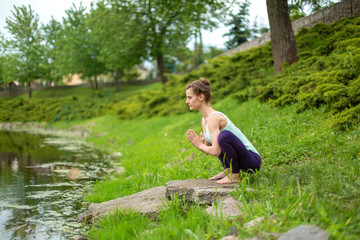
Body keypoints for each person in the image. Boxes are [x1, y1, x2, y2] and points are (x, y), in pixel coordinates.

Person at [185, 78, 261, 184]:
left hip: (252, 160)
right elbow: (211, 149)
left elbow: (216, 151)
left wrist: (200, 145)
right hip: (241, 160)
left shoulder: (214, 118)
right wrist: (202, 143)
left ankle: (235, 175)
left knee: (224, 136)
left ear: (201, 97)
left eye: (189, 97)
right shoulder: (204, 120)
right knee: (221, 138)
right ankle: (228, 170)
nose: (187, 101)